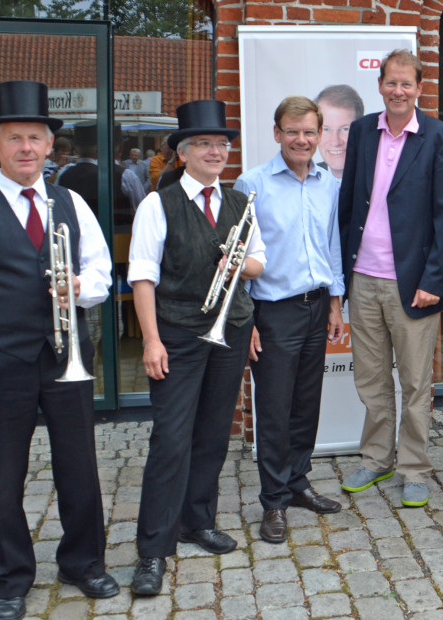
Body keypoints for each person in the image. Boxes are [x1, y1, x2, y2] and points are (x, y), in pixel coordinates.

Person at [0, 80, 116, 620]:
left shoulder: (72, 203)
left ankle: (83, 563)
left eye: (36, 137)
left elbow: (103, 273)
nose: (27, 148)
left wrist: (79, 286)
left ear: (50, 145)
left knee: (79, 466)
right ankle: (9, 580)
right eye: (15, 138)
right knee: (4, 477)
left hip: (66, 358)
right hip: (0, 361)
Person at [128, 99, 266, 595]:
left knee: (212, 433)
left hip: (229, 333)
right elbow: (142, 278)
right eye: (205, 144)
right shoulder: (156, 204)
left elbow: (258, 264)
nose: (216, 152)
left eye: (222, 144)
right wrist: (150, 340)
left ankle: (197, 520)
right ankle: (152, 549)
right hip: (179, 334)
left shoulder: (238, 203)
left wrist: (238, 262)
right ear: (183, 153)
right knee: (170, 439)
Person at [337, 49, 443, 507]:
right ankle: (375, 458)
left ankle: (413, 466)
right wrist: (343, 274)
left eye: (406, 83)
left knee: (414, 383)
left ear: (419, 88)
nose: (398, 90)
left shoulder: (440, 137)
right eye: (391, 82)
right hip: (364, 278)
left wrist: (437, 280)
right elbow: (348, 202)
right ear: (380, 85)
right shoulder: (361, 132)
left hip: (413, 283)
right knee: (371, 379)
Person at [234, 96, 345, 544]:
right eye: (292, 131)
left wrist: (336, 303)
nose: (302, 140)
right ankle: (273, 500)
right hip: (272, 311)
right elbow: (239, 256)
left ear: (320, 135)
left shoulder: (328, 184)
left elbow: (333, 245)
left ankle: (297, 482)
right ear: (277, 133)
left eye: (309, 132)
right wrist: (247, 320)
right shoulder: (251, 183)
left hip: (317, 305)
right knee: (275, 410)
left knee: (305, 404)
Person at [314, 84, 364, 180]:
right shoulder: (302, 181)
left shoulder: (381, 179)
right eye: (326, 129)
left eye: (345, 129)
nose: (335, 142)